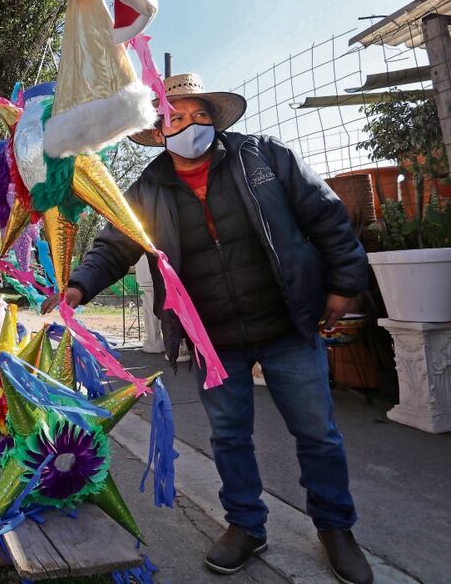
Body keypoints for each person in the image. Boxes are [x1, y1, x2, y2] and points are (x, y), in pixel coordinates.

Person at [41, 74, 372, 583]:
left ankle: (335, 527)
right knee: (229, 436)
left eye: (200, 115)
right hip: (211, 339)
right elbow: (114, 245)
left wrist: (344, 283)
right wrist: (79, 287)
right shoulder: (147, 189)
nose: (191, 125)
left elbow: (325, 215)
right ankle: (246, 524)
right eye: (177, 117)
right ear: (158, 130)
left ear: (214, 119)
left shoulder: (262, 158)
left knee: (317, 433)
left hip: (286, 323)